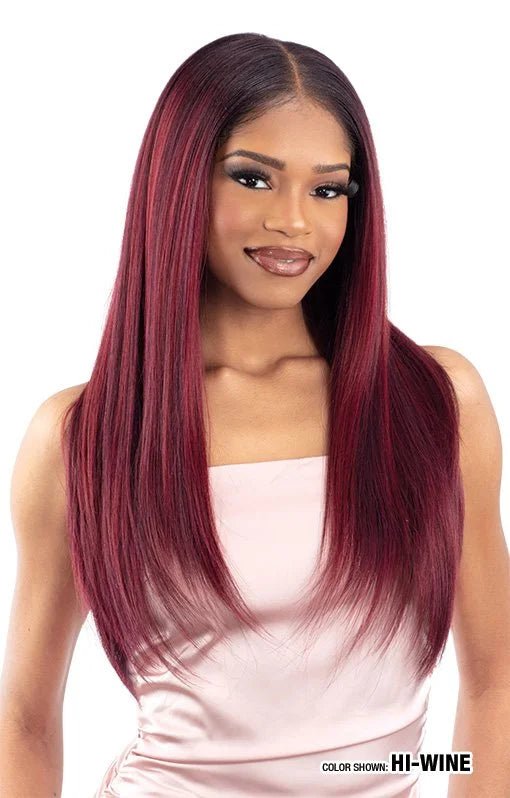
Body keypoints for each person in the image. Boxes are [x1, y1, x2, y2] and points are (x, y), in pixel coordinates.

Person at [1, 31, 509, 798]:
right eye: (253, 178)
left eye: (328, 190)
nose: (294, 222)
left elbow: (496, 680)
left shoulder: (437, 402)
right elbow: (24, 719)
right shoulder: (84, 437)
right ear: (180, 182)